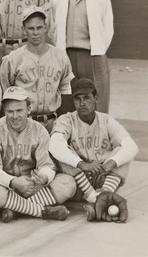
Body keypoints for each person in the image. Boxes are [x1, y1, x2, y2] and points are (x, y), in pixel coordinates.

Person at [0, 87, 76, 222]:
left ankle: (17, 210)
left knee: (68, 182)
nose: (14, 116)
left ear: (29, 109)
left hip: (33, 186)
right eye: (10, 111)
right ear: (4, 111)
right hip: (6, 185)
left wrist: (43, 177)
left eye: (19, 110)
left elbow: (47, 165)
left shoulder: (39, 130)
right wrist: (13, 182)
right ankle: (43, 212)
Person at [49, 78, 138, 215]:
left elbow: (131, 146)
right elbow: (54, 145)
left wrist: (110, 164)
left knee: (121, 152)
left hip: (102, 177)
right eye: (77, 99)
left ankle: (102, 195)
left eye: (86, 98)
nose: (82, 103)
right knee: (62, 151)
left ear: (96, 98)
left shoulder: (106, 120)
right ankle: (96, 199)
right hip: (79, 181)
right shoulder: (67, 120)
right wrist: (81, 164)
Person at [49, 0, 113, 113]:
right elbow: (52, 27)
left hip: (92, 56)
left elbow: (108, 30)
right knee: (67, 100)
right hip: (66, 55)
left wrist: (97, 50)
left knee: (97, 101)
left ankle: (98, 135)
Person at [0, 5, 74, 132]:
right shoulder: (12, 60)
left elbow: (66, 89)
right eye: (30, 28)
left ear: (45, 28)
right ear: (24, 30)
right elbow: (6, 95)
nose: (35, 33)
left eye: (39, 27)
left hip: (53, 122)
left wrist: (64, 122)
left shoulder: (60, 56)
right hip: (24, 124)